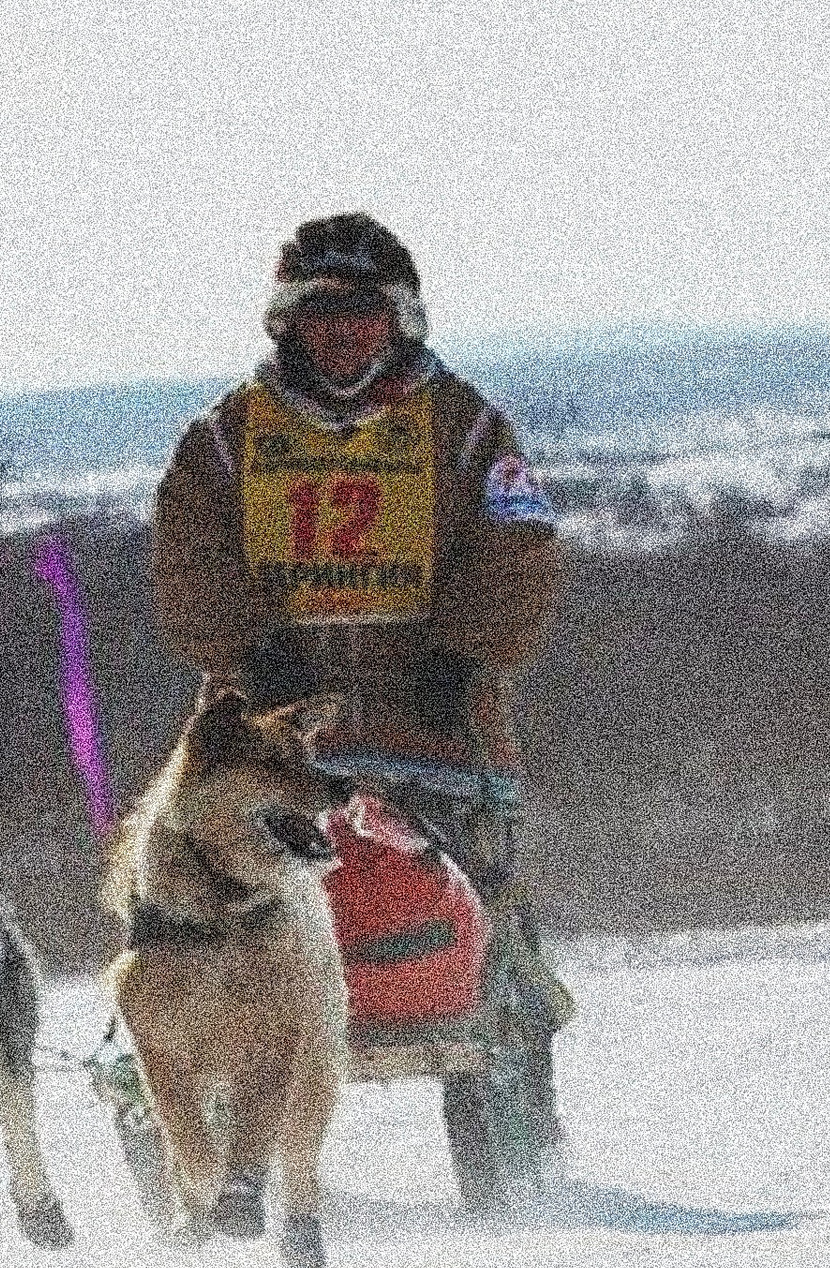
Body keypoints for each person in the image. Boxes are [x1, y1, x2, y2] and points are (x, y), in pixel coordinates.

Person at [151, 213, 569, 1178]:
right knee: (188, 896)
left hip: (439, 722)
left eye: (364, 312)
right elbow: (189, 570)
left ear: (401, 320)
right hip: (267, 731)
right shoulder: (221, 443)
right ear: (286, 322)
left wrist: (460, 651)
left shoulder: (467, 428)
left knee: (489, 918)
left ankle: (518, 1156)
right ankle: (203, 1158)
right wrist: (257, 659)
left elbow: (518, 551)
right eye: (322, 312)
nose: (343, 332)